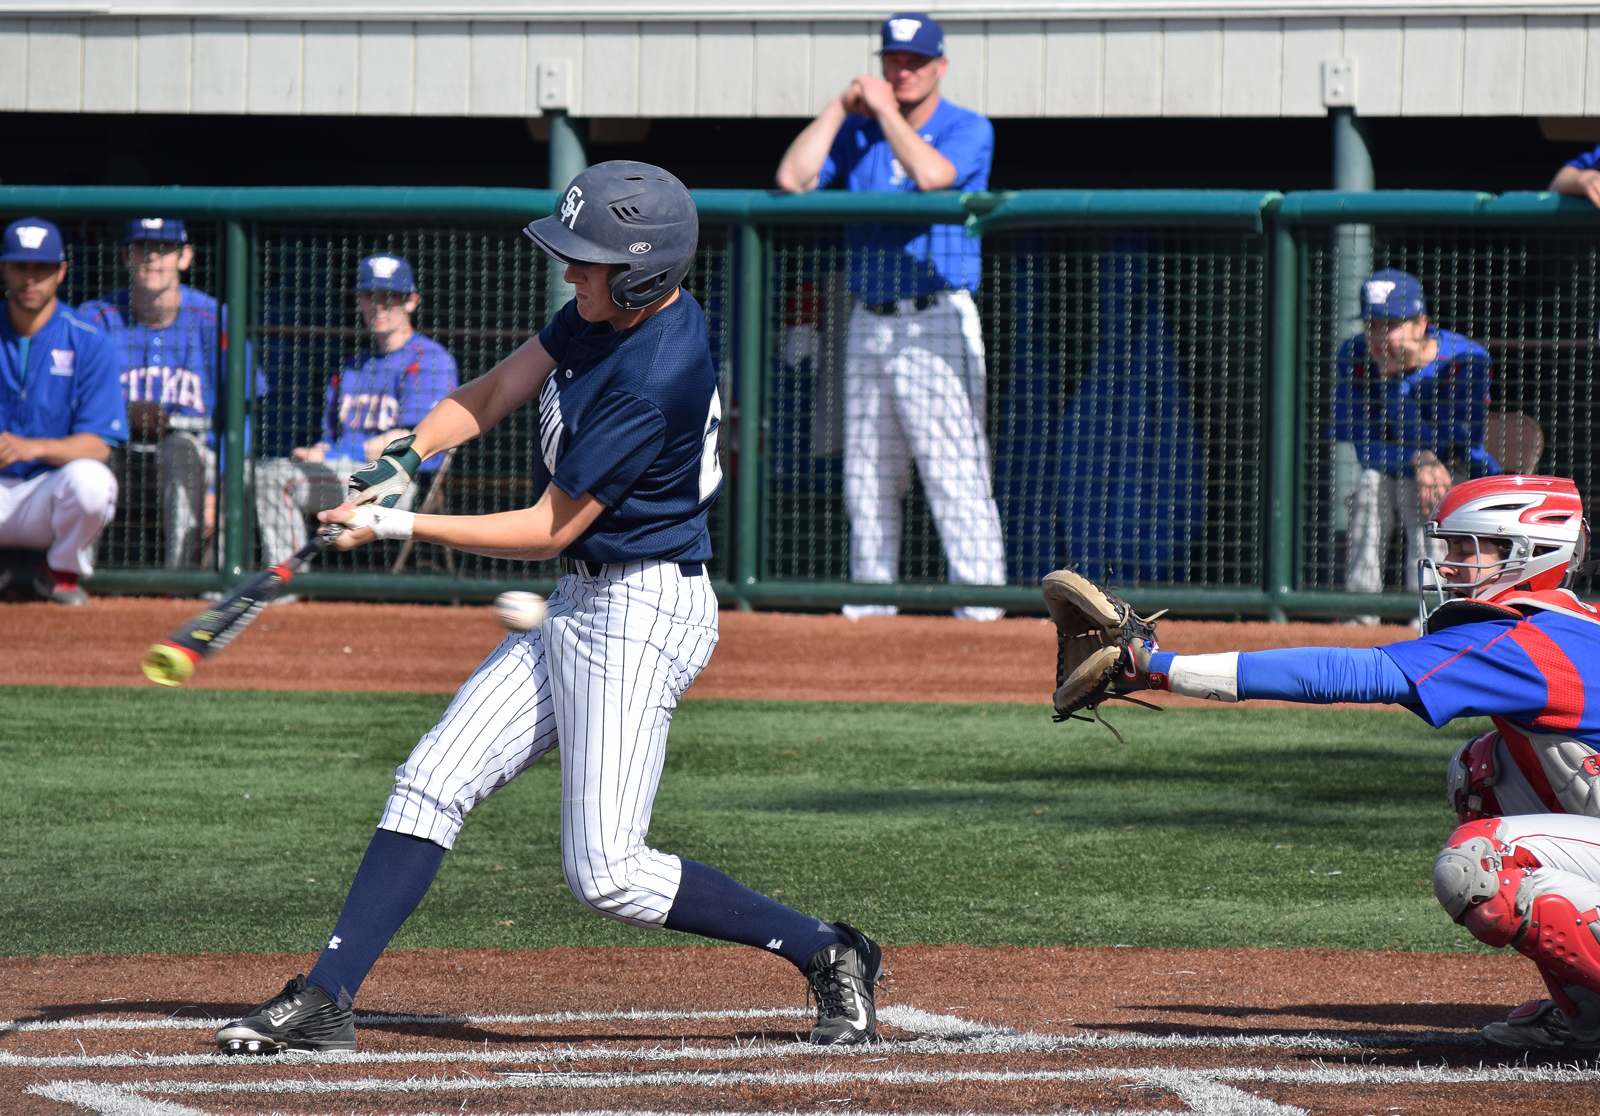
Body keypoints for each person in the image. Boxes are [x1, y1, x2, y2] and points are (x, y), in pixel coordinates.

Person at [214, 162, 884, 1057]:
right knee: (431, 779)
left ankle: (827, 948)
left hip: (642, 613)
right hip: (583, 597)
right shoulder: (607, 313)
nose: (572, 273)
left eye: (589, 261)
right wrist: (404, 455)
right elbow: (495, 390)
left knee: (605, 873)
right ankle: (327, 995)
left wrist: (397, 522)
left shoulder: (657, 369)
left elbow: (546, 525)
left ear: (643, 274)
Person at [1081, 472, 1600, 1048]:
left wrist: (1159, 667)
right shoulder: (1566, 629)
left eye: (1467, 547)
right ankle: (1589, 1019)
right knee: (1483, 770)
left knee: (1482, 866)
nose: (1449, 564)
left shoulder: (1532, 645)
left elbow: (1353, 673)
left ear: (1528, 555)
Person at [775, 12, 1005, 622]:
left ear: (939, 66)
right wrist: (837, 108)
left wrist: (880, 113)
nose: (901, 71)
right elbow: (791, 179)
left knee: (954, 474)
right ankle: (869, 615)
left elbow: (933, 178)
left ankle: (982, 617)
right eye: (893, 60)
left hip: (934, 314)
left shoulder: (967, 127)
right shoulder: (858, 130)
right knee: (868, 478)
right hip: (868, 319)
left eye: (914, 61)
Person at [254, 254, 457, 568]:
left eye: (390, 298)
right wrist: (316, 452)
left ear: (412, 302)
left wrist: (333, 455)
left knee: (275, 479)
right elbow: (331, 438)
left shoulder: (430, 359)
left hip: (395, 481)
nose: (379, 306)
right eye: (369, 296)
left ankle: (289, 584)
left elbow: (411, 441)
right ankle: (246, 585)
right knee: (253, 476)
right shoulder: (353, 366)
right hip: (343, 475)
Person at [1331, 269, 1495, 620]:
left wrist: (1393, 386)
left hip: (1461, 476)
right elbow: (1364, 447)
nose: (1377, 336)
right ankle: (1358, 619)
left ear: (1421, 324)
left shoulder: (1464, 359)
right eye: (1371, 324)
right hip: (1396, 472)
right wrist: (1418, 459)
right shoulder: (1355, 355)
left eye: (1389, 324)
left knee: (1431, 491)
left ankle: (1429, 616)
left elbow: (1457, 443)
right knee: (1369, 484)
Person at [78, 219, 241, 568]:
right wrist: (123, 411)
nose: (152, 258)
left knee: (180, 449)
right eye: (141, 248)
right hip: (118, 455)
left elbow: (243, 417)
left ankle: (178, 580)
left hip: (195, 461)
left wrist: (218, 491)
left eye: (163, 249)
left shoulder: (216, 319)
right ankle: (74, 574)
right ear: (125, 257)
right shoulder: (97, 319)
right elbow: (70, 401)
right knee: (92, 456)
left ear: (184, 257)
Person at [0, 217, 125, 605]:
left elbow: (100, 445)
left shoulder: (88, 340)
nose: (30, 278)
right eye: (21, 266)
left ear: (62, 272)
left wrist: (33, 448)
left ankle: (59, 572)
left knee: (94, 482)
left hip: (46, 493)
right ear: (3, 268)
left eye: (42, 268)